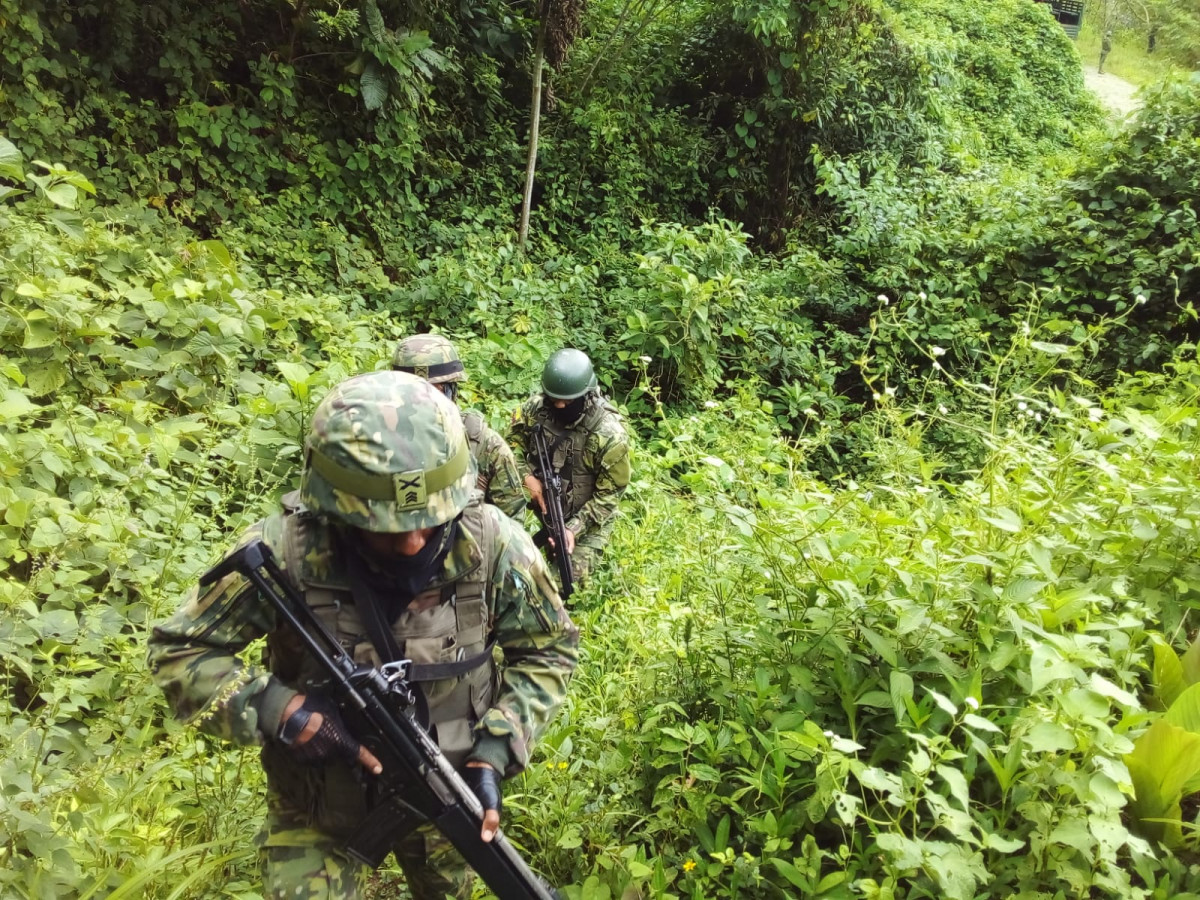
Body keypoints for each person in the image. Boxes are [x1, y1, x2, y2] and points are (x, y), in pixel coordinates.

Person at [147, 371, 579, 900]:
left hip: (449, 785)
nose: (414, 541)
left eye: (431, 518)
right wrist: (280, 709)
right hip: (319, 801)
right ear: (336, 507)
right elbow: (180, 650)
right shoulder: (285, 552)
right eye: (388, 525)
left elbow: (549, 648)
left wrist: (497, 746)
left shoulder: (492, 544)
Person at [509, 348, 631, 587]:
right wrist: (526, 478)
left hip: (588, 522)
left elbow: (608, 498)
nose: (560, 406)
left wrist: (573, 529)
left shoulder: (609, 435)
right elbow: (510, 447)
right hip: (542, 508)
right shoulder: (535, 409)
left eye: (568, 400)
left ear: (586, 394)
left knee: (557, 587)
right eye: (553, 399)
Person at [392, 333, 526, 519]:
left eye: (434, 392)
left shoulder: (483, 445)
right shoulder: (379, 440)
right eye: (412, 394)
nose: (422, 403)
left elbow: (513, 523)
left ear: (452, 392)